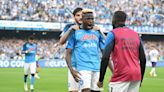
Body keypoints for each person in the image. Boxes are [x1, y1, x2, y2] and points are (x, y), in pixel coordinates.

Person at [97, 11, 146, 92]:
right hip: (136, 75)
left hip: (121, 75)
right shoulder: (136, 34)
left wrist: (101, 79)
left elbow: (105, 57)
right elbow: (143, 59)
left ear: (113, 20)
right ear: (125, 20)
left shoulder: (112, 33)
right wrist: (141, 78)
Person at [66, 9, 105, 92]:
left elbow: (105, 53)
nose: (91, 21)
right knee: (85, 90)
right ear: (82, 20)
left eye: (92, 19)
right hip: (83, 68)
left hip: (97, 68)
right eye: (88, 19)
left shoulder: (97, 32)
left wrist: (113, 71)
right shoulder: (75, 33)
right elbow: (68, 53)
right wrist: (71, 70)